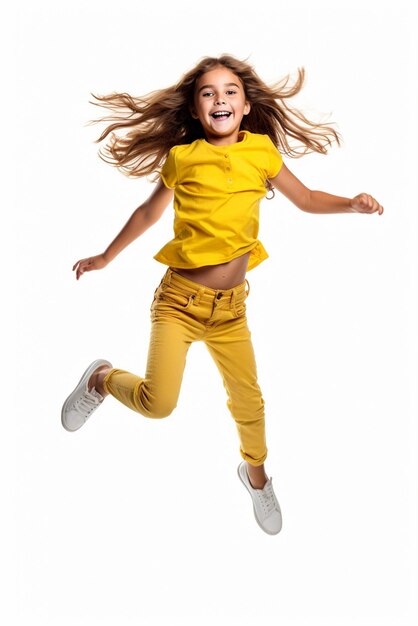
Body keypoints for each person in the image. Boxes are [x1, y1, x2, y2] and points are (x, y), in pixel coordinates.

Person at [61, 55, 384, 535]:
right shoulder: (183, 158)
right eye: (208, 93)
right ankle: (102, 380)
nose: (220, 99)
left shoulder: (262, 154)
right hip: (179, 302)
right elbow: (149, 214)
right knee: (158, 404)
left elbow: (308, 199)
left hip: (231, 310)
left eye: (230, 91)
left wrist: (351, 205)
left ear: (246, 105)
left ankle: (256, 477)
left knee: (249, 403)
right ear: (195, 110)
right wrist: (106, 257)